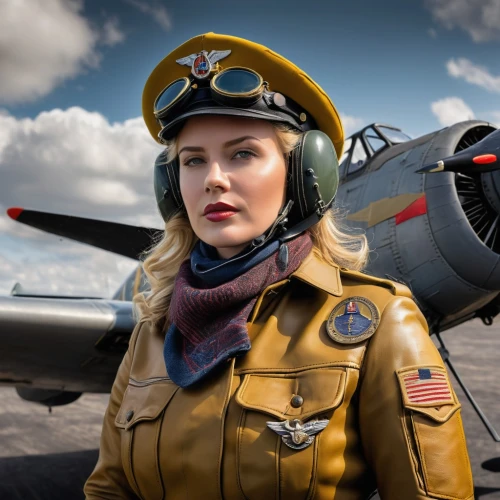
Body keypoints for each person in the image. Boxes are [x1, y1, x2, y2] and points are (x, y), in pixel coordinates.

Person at [84, 33, 474, 499]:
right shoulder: (149, 335)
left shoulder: (378, 324)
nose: (213, 179)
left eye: (242, 153)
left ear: (304, 174)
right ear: (171, 188)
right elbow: (108, 489)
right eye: (193, 161)